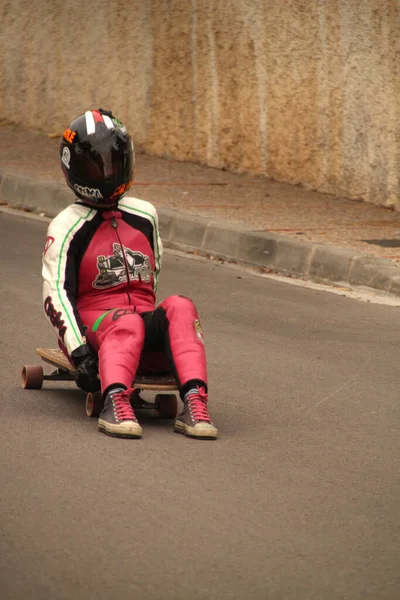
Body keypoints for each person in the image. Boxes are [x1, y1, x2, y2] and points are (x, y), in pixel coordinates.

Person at [42, 108, 218, 440]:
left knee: (181, 305)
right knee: (128, 321)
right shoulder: (67, 225)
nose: (107, 173)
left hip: (136, 332)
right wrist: (79, 354)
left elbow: (153, 276)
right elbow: (56, 293)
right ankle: (115, 401)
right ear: (74, 168)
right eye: (96, 165)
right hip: (94, 339)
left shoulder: (144, 215)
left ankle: (195, 402)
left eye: (114, 162)